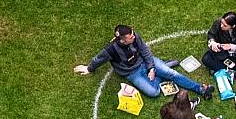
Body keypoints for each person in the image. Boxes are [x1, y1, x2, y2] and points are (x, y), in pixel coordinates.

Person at [74, 24, 209, 98]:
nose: (134, 37)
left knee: (173, 75)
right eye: (130, 37)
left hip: (145, 62)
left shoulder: (134, 36)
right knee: (154, 92)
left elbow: (145, 51)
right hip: (132, 73)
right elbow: (99, 59)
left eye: (133, 34)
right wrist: (89, 68)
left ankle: (199, 89)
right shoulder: (111, 50)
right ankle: (163, 69)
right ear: (122, 39)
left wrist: (151, 67)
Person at [201, 11, 236, 83]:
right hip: (221, 52)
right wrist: (212, 42)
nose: (221, 26)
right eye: (221, 23)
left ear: (233, 26)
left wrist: (232, 47)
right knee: (206, 59)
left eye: (225, 25)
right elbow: (211, 34)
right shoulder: (217, 23)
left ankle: (220, 68)